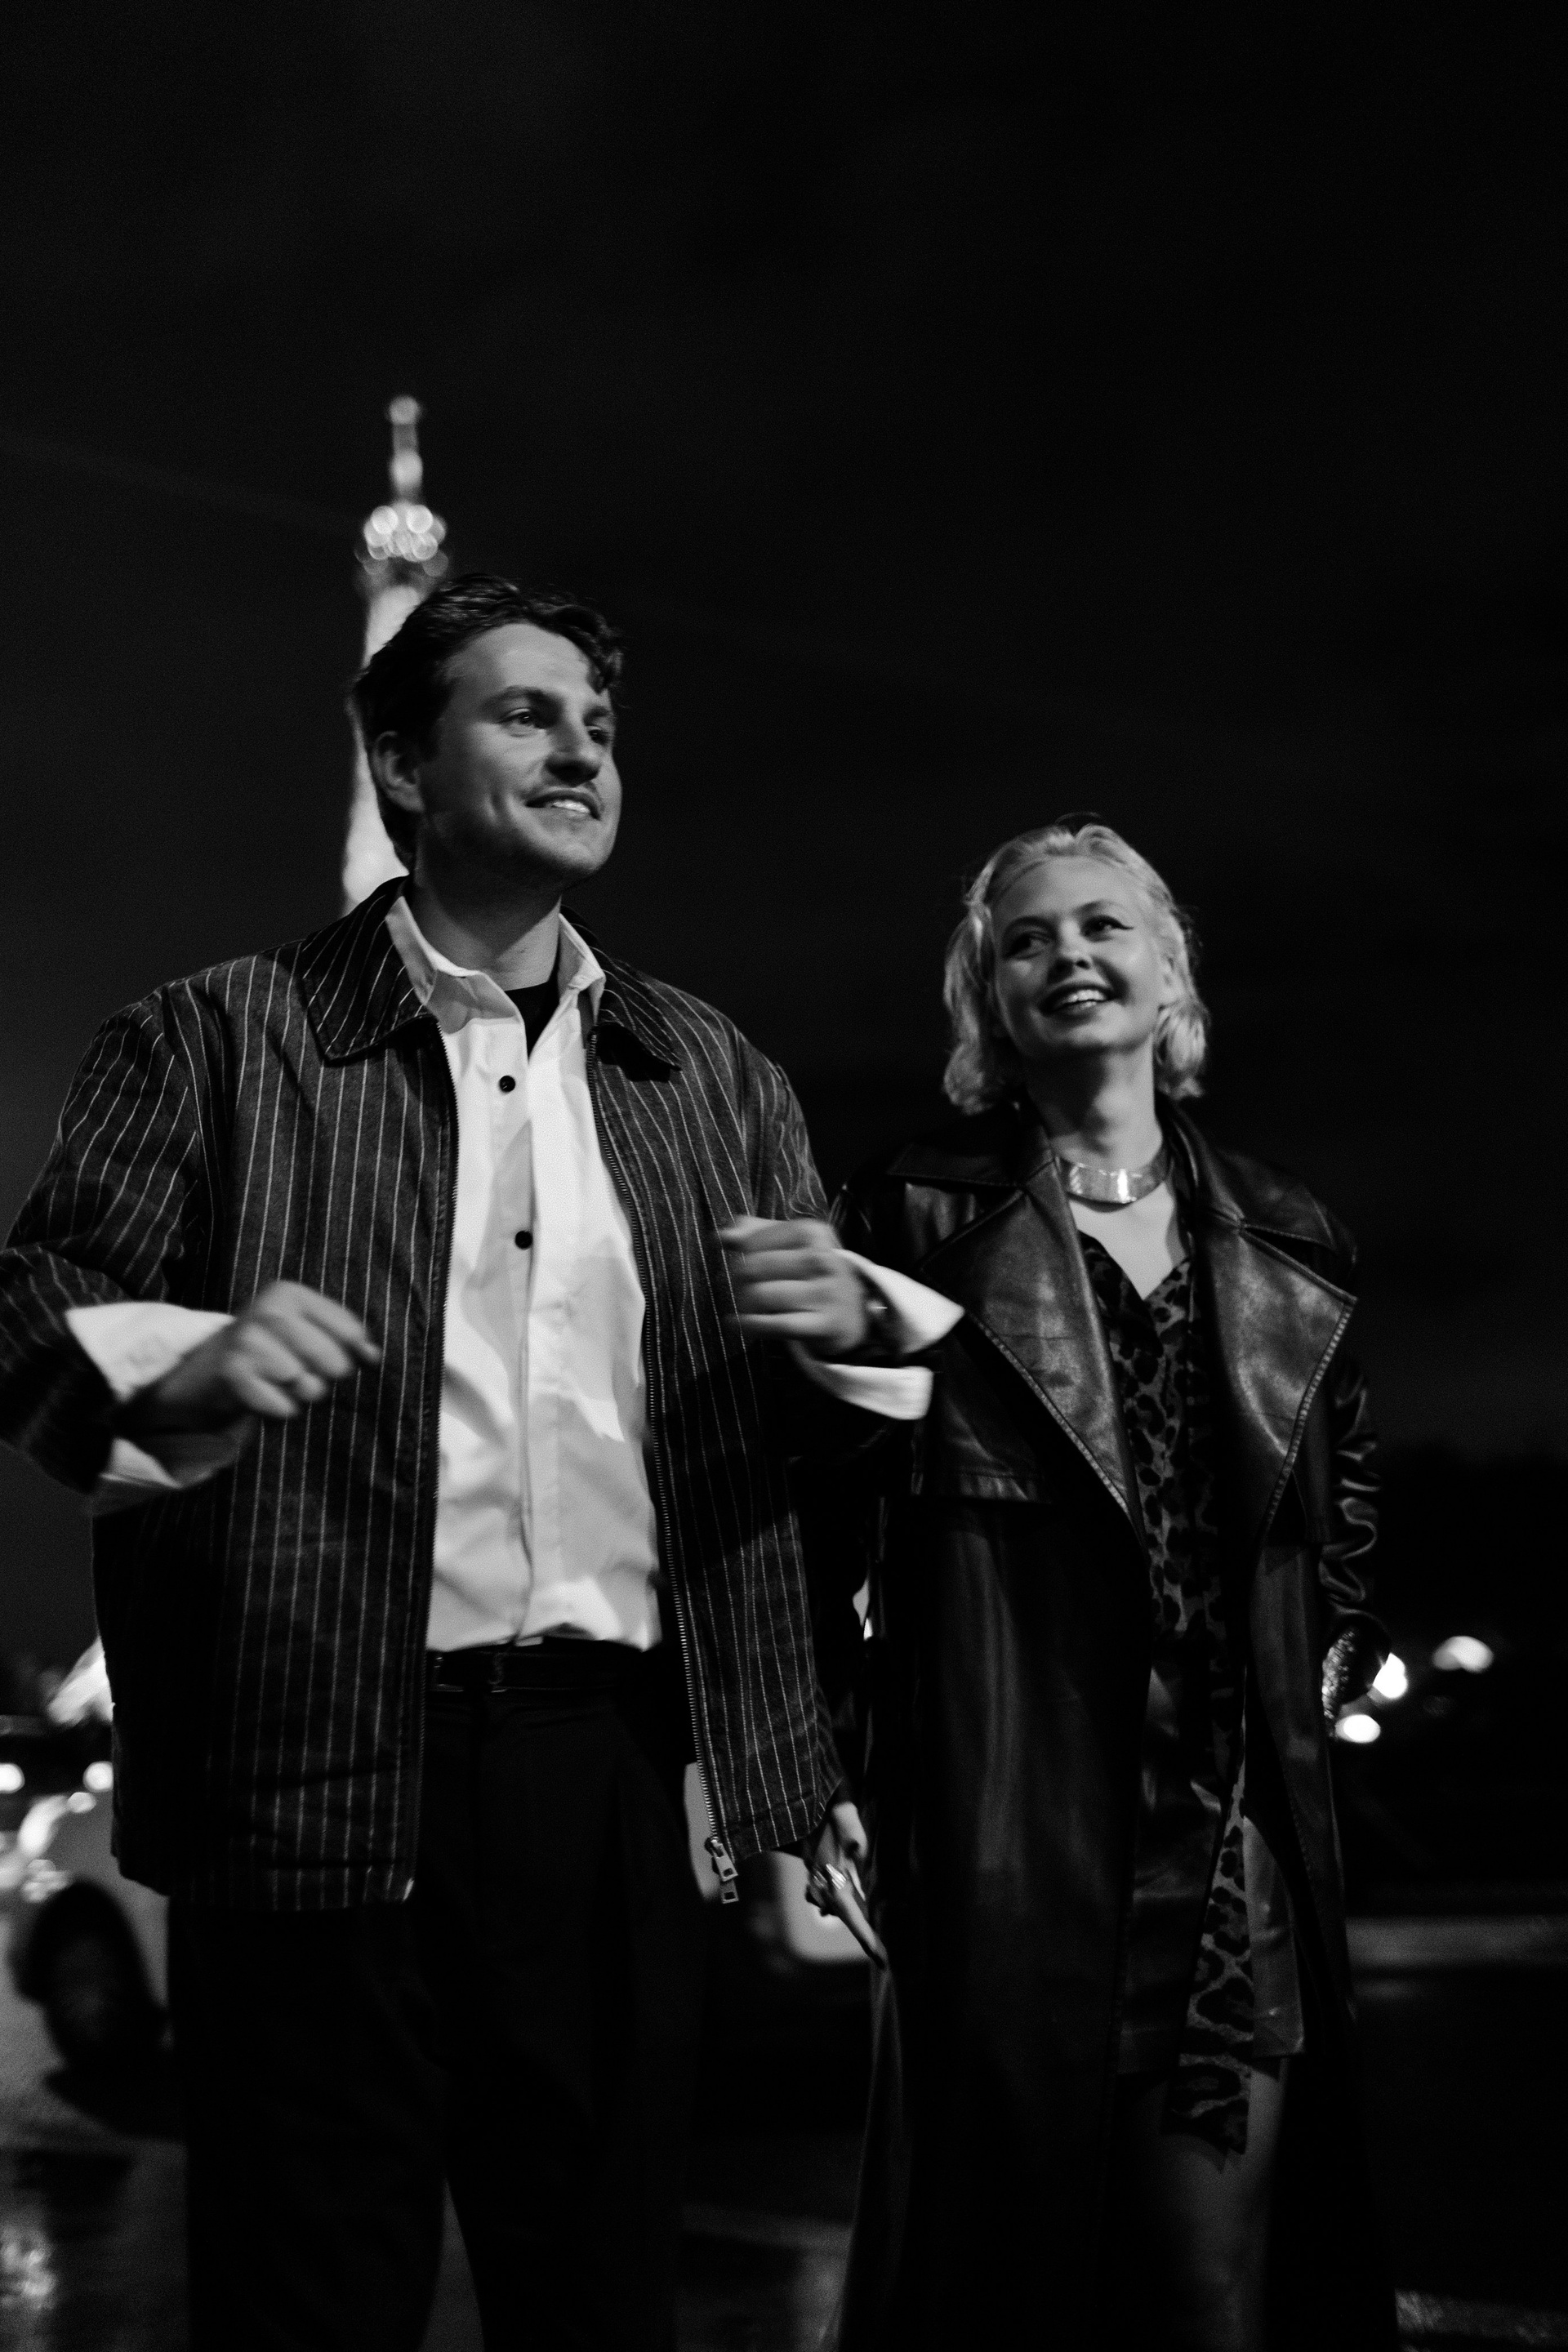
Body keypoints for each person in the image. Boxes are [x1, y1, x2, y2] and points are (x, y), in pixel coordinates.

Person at [0, 573, 875, 2352]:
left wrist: (857, 1347)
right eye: (525, 713)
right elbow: (33, 1304)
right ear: (400, 767)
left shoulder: (713, 1075)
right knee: (310, 2296)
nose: (582, 750)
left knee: (598, 2293)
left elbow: (798, 1449)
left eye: (600, 724)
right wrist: (188, 1360)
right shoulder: (212, 1037)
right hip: (307, 1752)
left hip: (609, 1772)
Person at [725, 818, 1399, 2350]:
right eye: (1024, 940)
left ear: (1170, 974)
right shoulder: (908, 1211)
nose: (1068, 955)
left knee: (1207, 2292)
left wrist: (1326, 1657)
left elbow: (1344, 1488)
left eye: (1102, 925)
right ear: (990, 1001)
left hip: (1224, 1827)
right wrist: (828, 1756)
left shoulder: (1291, 1231)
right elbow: (804, 1508)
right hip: (1006, 1810)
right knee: (1006, 2278)